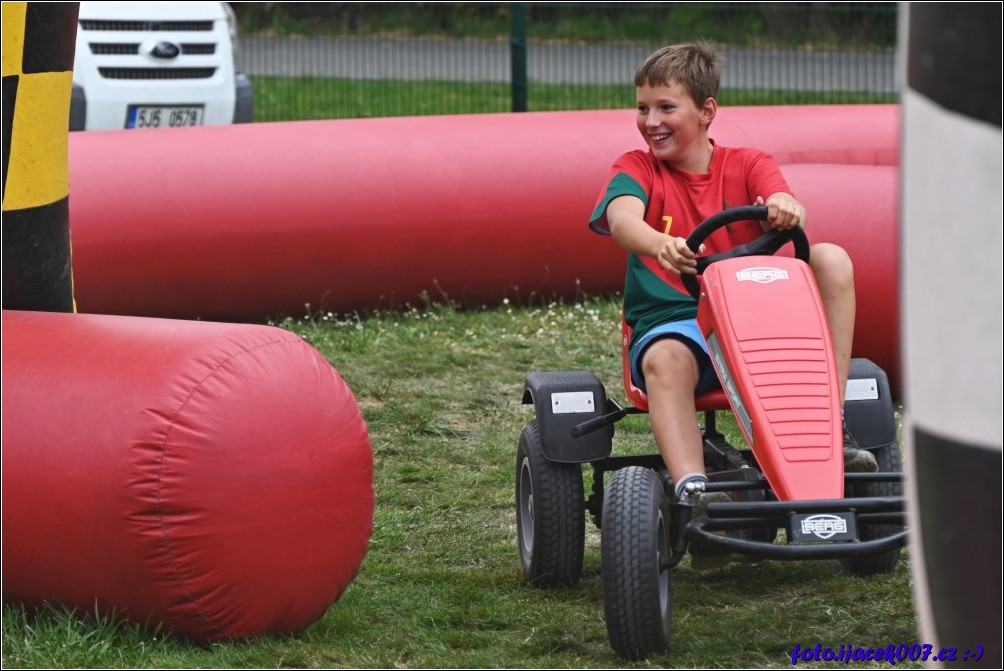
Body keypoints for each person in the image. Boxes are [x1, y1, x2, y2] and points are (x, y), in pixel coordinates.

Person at [588, 42, 878, 564]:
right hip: (675, 322)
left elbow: (782, 198)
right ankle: (697, 490)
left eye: (665, 108)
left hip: (754, 331)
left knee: (831, 257)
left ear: (706, 112)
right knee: (666, 358)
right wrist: (659, 243)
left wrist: (785, 207)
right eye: (642, 108)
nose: (650, 121)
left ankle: (831, 425)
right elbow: (623, 219)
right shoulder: (639, 169)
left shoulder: (748, 164)